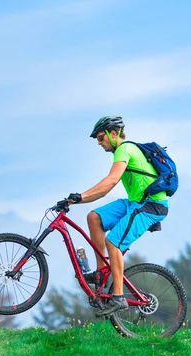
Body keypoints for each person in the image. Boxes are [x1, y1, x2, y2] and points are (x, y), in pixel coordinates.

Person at [64, 116, 169, 317]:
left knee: (113, 242)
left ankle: (119, 297)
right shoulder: (122, 151)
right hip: (134, 203)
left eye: (101, 137)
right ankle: (102, 271)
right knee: (94, 217)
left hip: (152, 205)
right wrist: (78, 200)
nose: (99, 142)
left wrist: (80, 197)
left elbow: (110, 182)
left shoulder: (125, 149)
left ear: (114, 134)